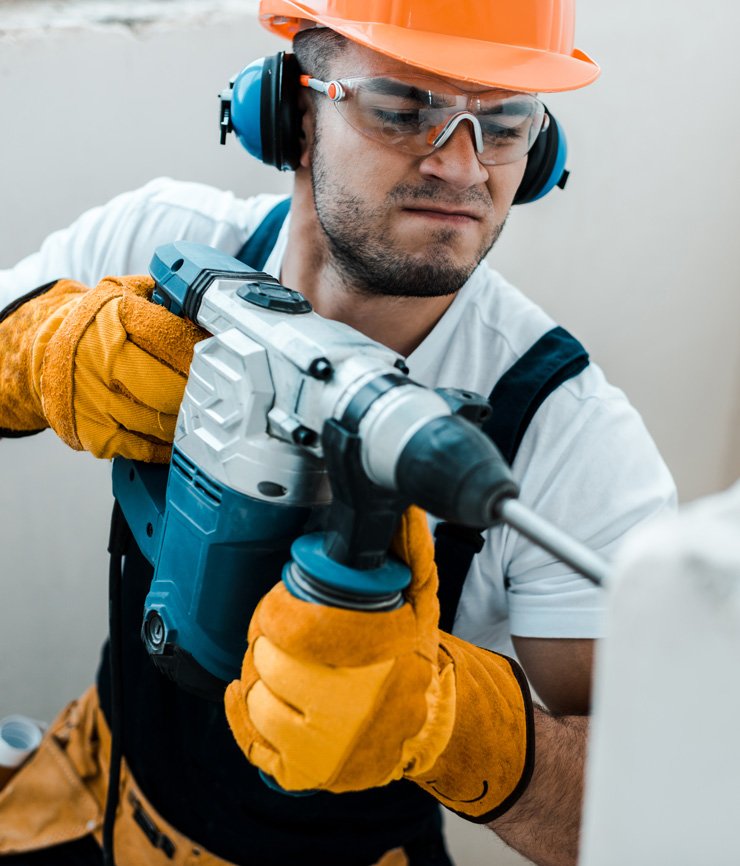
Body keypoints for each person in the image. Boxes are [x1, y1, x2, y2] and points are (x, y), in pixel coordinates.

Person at [0, 2, 676, 865]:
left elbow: (655, 817)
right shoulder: (160, 248)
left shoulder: (560, 435)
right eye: (404, 108)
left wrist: (454, 725)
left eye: (504, 123)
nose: (461, 164)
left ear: (540, 155)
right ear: (291, 110)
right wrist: (34, 352)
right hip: (99, 789)